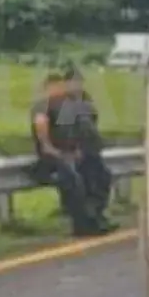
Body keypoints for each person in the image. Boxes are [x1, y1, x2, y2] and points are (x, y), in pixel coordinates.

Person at [30, 73, 111, 236]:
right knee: (74, 180)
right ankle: (81, 224)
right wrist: (50, 148)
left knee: (99, 175)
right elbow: (41, 126)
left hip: (67, 153)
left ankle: (95, 216)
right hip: (51, 156)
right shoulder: (43, 105)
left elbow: (70, 132)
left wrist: (76, 150)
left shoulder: (65, 106)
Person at [62, 68, 116, 230]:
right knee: (85, 183)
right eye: (73, 82)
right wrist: (73, 148)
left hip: (92, 148)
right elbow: (65, 129)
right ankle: (88, 220)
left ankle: (99, 214)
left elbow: (93, 122)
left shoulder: (87, 100)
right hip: (77, 150)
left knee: (103, 178)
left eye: (79, 82)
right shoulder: (65, 103)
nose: (77, 85)